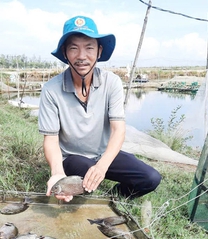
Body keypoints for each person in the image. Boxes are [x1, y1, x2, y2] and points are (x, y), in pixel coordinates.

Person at [38, 16, 161, 202]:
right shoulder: (51, 90)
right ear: (65, 53)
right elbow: (51, 140)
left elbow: (118, 129)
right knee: (83, 167)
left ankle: (114, 198)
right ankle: (80, 186)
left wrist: (102, 166)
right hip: (73, 158)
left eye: (89, 47)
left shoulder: (112, 82)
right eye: (73, 48)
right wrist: (57, 173)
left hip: (103, 153)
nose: (81, 56)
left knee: (150, 178)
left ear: (99, 51)